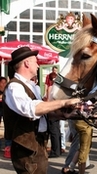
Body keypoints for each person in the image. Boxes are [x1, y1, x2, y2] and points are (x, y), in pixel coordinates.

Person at [2, 46, 82, 174]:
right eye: (35, 61)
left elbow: (40, 114)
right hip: (26, 148)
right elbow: (30, 109)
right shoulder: (14, 87)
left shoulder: (32, 86)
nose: (38, 65)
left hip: (38, 143)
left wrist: (61, 114)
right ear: (26, 63)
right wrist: (64, 101)